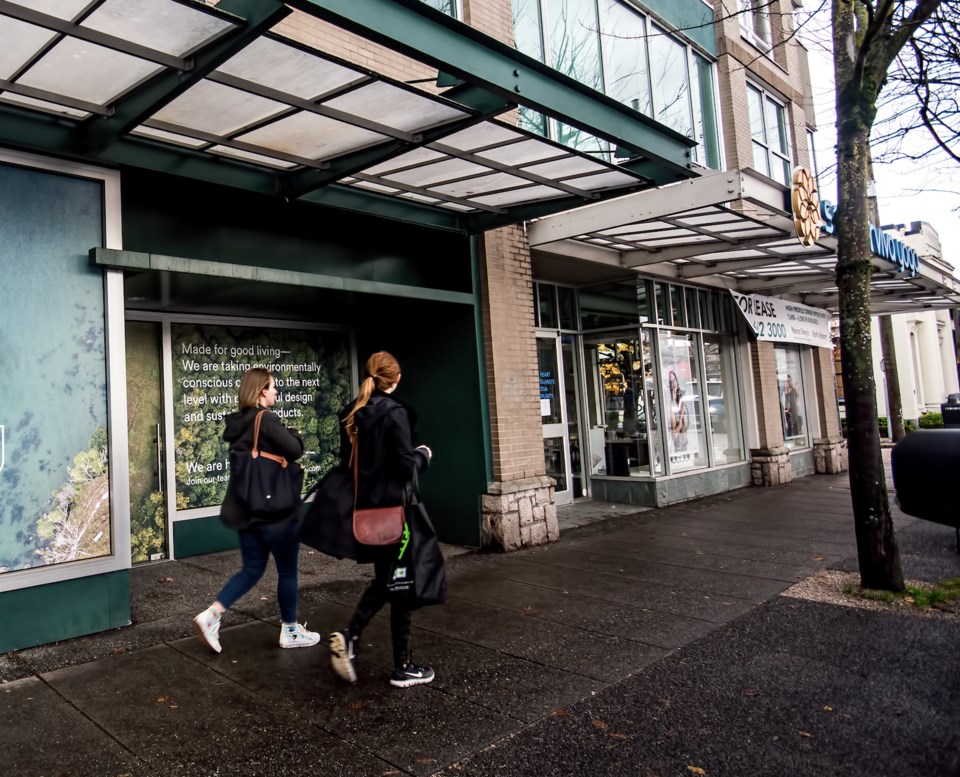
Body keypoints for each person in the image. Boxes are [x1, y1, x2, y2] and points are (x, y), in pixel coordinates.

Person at [193, 367, 320, 654]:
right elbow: (296, 450)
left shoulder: (238, 425)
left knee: (251, 569)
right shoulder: (267, 420)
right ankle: (290, 630)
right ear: (262, 390)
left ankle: (211, 615)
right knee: (287, 572)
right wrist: (293, 432)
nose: (276, 391)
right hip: (276, 513)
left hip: (247, 512)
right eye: (273, 387)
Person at [328, 351, 434, 688]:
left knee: (387, 579)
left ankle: (351, 637)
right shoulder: (395, 413)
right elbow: (404, 468)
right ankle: (402, 667)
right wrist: (422, 455)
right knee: (400, 585)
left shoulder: (353, 412)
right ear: (396, 378)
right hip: (395, 512)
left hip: (365, 512)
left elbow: (348, 464)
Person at [667, 370, 688, 451]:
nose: (673, 383)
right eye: (671, 382)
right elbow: (675, 432)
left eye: (675, 380)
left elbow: (685, 425)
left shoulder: (679, 398)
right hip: (677, 444)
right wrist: (681, 416)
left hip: (683, 441)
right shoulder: (671, 401)